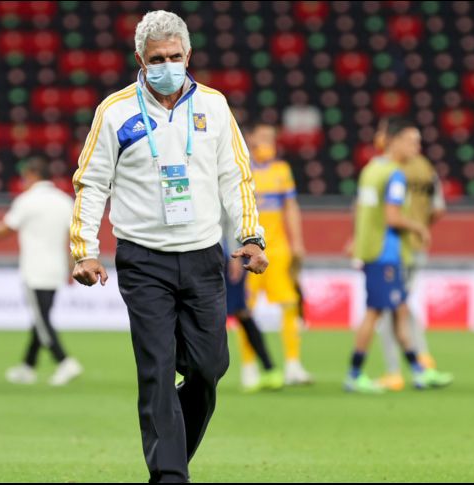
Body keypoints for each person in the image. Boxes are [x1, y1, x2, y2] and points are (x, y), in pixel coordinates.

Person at [70, 10, 268, 482]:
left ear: (189, 55)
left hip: (203, 255)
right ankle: (169, 475)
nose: (167, 65)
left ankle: (171, 446)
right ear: (140, 59)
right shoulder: (114, 111)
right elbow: (90, 184)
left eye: (175, 56)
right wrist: (85, 249)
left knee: (208, 368)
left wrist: (250, 236)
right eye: (157, 58)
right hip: (143, 260)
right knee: (157, 369)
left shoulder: (215, 107)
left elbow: (235, 177)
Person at [346, 118, 453, 394]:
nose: (416, 146)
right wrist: (418, 226)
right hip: (386, 253)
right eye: (411, 140)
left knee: (400, 310)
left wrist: (357, 239)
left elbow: (363, 209)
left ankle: (419, 371)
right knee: (375, 313)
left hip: (372, 249)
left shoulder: (371, 169)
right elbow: (393, 217)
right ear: (394, 141)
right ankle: (354, 374)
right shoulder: (395, 174)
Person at [0, 158, 83, 386]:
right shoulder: (64, 201)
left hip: (34, 270)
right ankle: (27, 366)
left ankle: (64, 361)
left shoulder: (27, 201)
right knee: (40, 318)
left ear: (32, 175)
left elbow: (6, 229)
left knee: (42, 320)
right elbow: (72, 237)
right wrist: (73, 265)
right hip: (56, 269)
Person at [242, 123, 312, 386]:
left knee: (289, 304)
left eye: (271, 138)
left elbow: (291, 207)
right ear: (250, 138)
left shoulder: (282, 170)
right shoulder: (241, 168)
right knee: (245, 310)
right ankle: (249, 368)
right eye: (262, 137)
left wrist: (298, 243)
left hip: (278, 248)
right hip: (248, 250)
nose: (267, 142)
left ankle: (293, 364)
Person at [222, 211, 281, 393]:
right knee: (241, 313)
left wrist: (235, 256)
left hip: (226, 255)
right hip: (223, 253)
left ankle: (270, 370)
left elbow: (229, 218)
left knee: (228, 312)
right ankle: (270, 369)